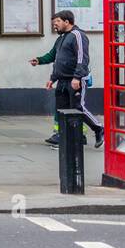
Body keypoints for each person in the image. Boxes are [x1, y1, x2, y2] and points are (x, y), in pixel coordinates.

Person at [30, 9, 103, 148]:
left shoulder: (78, 35)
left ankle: (99, 128)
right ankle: (67, 137)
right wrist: (41, 64)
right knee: (62, 110)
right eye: (53, 22)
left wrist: (77, 77)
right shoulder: (61, 38)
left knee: (78, 107)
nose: (54, 25)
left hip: (75, 80)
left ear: (67, 22)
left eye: (57, 22)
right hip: (62, 81)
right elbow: (55, 58)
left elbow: (82, 58)